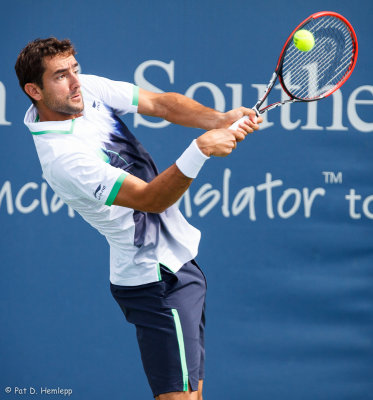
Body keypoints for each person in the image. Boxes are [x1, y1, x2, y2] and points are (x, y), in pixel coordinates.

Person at [15, 37, 263, 400]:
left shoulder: (85, 92)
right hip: (156, 280)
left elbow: (159, 103)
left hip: (180, 265)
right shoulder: (62, 156)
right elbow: (151, 200)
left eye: (75, 69)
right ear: (34, 90)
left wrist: (219, 119)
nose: (74, 82)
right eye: (59, 76)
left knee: (193, 395)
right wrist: (201, 148)